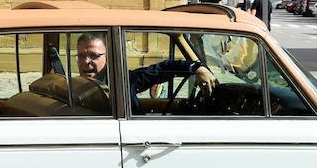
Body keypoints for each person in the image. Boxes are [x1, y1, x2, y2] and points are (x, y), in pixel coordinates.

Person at [76, 34, 214, 114]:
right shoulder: (72, 92)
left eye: (93, 56)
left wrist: (197, 68)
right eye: (81, 56)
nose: (86, 62)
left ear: (109, 57)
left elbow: (162, 69)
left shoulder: (124, 81)